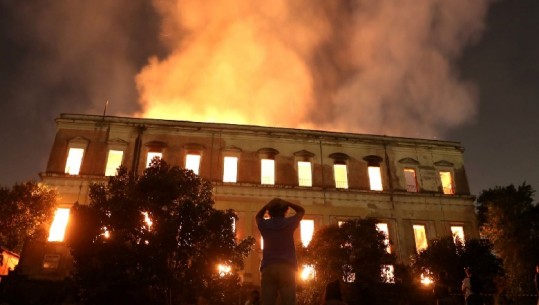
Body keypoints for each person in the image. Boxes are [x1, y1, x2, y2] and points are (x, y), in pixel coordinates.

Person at [256, 198, 305, 305]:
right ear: (285, 210)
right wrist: (288, 202)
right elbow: (301, 211)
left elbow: (258, 217)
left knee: (267, 301)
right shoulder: (289, 223)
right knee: (289, 301)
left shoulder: (265, 225)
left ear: (270, 212)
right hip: (287, 267)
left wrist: (267, 205)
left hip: (268, 266)